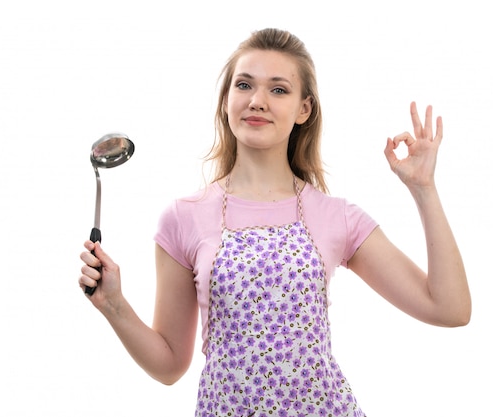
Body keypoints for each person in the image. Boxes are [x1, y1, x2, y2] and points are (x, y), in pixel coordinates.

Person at [78, 28, 471, 417]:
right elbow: (169, 366)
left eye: (278, 89)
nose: (258, 101)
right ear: (226, 101)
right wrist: (114, 304)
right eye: (244, 85)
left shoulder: (336, 216)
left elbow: (450, 308)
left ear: (304, 109)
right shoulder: (184, 218)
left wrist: (423, 189)